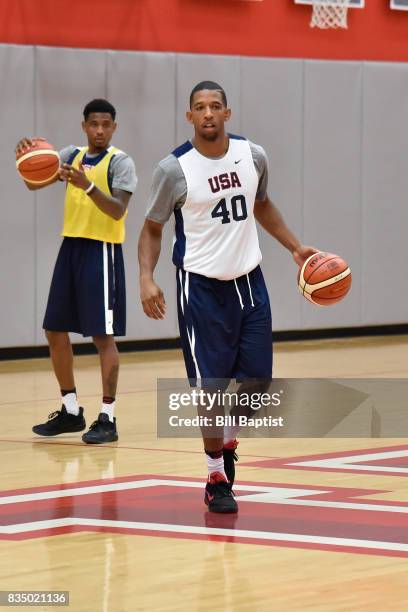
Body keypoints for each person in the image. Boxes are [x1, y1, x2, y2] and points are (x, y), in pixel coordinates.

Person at [138, 81, 316, 512]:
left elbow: (263, 204)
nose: (208, 113)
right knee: (212, 389)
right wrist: (146, 276)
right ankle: (215, 474)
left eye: (215, 106)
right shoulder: (174, 170)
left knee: (259, 383)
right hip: (199, 287)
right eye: (200, 107)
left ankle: (227, 439)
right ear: (190, 117)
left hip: (249, 283)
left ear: (227, 113)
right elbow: (152, 228)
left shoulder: (252, 155)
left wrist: (295, 247)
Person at [15, 99, 137, 444]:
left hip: (102, 250)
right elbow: (32, 183)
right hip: (71, 247)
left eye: (106, 124)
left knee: (102, 337)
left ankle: (108, 417)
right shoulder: (70, 155)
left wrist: (87, 185)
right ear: (84, 126)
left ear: (114, 127)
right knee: (54, 329)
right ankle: (70, 409)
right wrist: (25, 157)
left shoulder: (120, 162)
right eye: (93, 124)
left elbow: (117, 210)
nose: (99, 130)